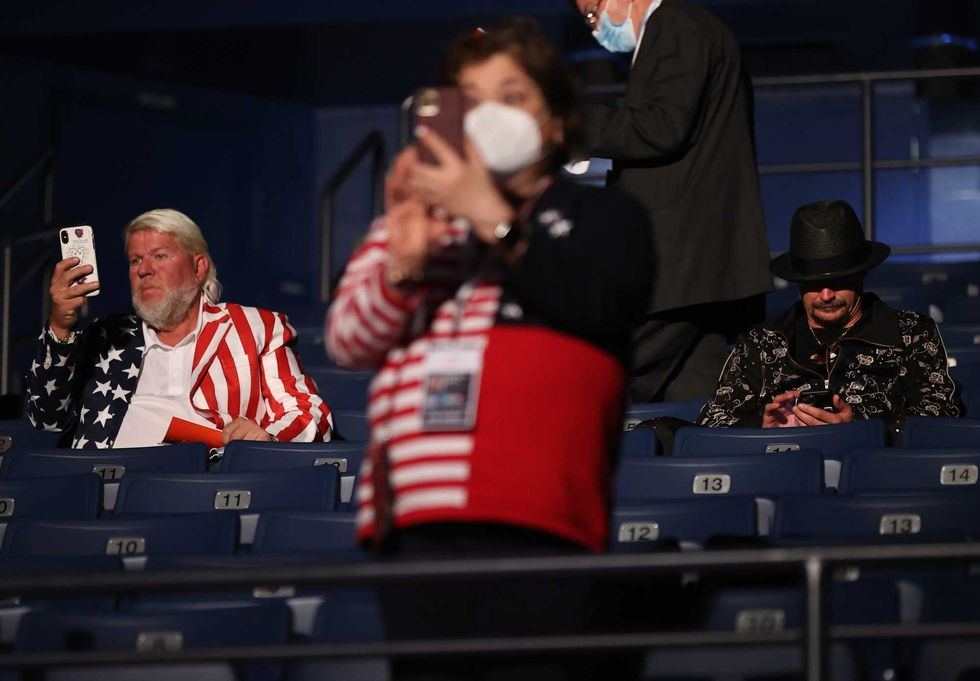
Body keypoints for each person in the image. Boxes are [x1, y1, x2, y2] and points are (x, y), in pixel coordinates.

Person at [325, 17, 652, 681]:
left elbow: (602, 300)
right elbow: (348, 341)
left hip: (539, 523)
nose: (490, 115)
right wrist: (401, 264)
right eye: (471, 99)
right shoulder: (413, 223)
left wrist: (494, 219)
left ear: (557, 122)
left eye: (514, 95)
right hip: (413, 526)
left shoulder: (597, 216)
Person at [570, 0, 772, 403]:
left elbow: (663, 127)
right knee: (695, 405)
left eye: (592, 12)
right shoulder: (690, 27)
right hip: (704, 271)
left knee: (603, 385)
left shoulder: (674, 24)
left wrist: (568, 123)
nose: (594, 28)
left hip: (679, 263)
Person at [25, 208, 332, 448]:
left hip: (199, 487)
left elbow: (309, 414)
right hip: (103, 484)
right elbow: (46, 418)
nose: (144, 270)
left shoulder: (256, 328)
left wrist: (267, 437)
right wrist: (60, 328)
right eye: (135, 261)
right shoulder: (106, 334)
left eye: (159, 256)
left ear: (198, 268)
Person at [698, 199, 960, 430]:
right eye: (812, 284)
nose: (825, 295)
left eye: (837, 281)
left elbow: (939, 414)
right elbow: (713, 421)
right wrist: (763, 427)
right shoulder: (761, 342)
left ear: (861, 274)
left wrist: (860, 426)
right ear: (797, 282)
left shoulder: (910, 332)